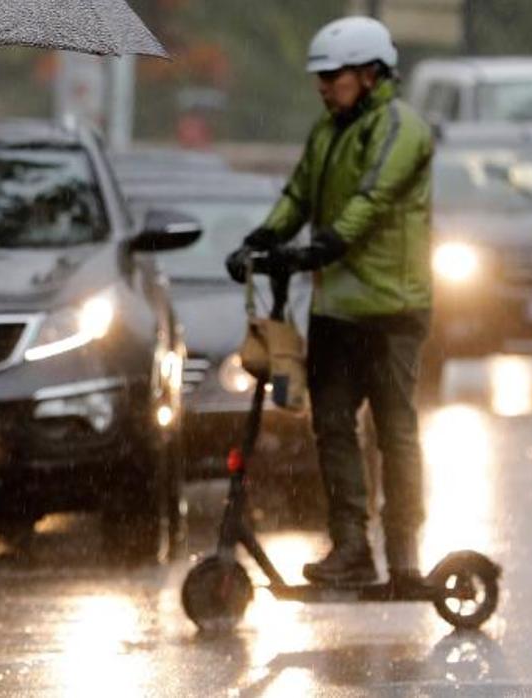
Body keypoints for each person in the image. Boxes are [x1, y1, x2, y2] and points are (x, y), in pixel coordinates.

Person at [226, 16, 434, 589]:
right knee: (333, 427)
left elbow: (372, 198)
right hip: (335, 309)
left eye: (333, 75)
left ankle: (405, 554)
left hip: (392, 309)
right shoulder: (327, 131)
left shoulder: (402, 126)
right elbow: (297, 194)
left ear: (369, 74)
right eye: (320, 77)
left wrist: (322, 248)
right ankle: (351, 548)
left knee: (394, 432)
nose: (323, 86)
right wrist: (260, 240)